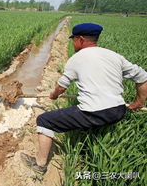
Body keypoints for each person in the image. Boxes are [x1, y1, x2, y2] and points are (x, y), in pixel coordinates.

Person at [21, 23, 147, 173]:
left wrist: (53, 96)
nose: (72, 43)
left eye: (73, 39)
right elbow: (143, 78)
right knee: (91, 119)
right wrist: (138, 103)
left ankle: (40, 165)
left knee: (44, 120)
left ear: (80, 39)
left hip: (94, 113)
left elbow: (61, 88)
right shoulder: (114, 56)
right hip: (119, 111)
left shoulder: (76, 59)